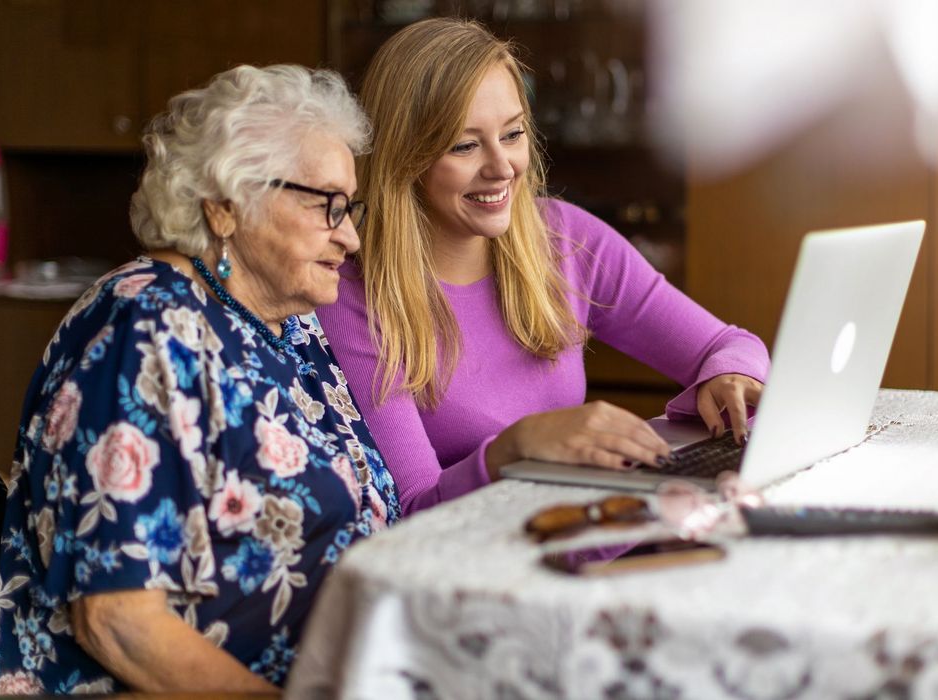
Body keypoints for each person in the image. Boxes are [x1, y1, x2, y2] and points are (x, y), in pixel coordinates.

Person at [0, 64, 398, 695]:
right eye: (327, 206)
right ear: (226, 207)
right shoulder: (144, 329)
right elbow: (118, 619)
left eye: (351, 207)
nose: (351, 237)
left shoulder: (288, 322)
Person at [317, 18, 770, 517]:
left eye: (512, 134)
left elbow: (728, 344)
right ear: (406, 159)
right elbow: (412, 510)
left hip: (596, 533)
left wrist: (730, 375)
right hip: (477, 571)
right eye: (465, 146)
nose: (502, 166)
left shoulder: (564, 237)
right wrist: (516, 445)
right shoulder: (352, 292)